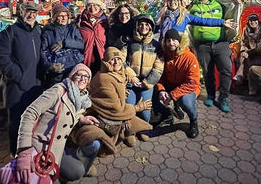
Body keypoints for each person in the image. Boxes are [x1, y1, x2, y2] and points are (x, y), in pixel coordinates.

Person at [15, 64, 99, 184]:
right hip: (39, 150)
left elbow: (70, 112)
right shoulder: (58, 91)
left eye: (86, 76)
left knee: (78, 171)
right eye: (79, 74)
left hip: (57, 150)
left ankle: (56, 176)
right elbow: (29, 113)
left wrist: (82, 118)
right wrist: (24, 151)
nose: (83, 78)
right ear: (71, 76)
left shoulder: (81, 99)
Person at [72, 47, 153, 153]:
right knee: (93, 137)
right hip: (100, 117)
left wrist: (122, 92)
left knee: (130, 112)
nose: (117, 62)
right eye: (112, 59)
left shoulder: (119, 74)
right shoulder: (104, 78)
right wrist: (138, 107)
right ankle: (88, 158)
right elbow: (116, 109)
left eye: (119, 58)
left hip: (112, 114)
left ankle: (126, 134)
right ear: (106, 62)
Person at [0, 1, 43, 156]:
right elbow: (1, 60)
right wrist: (20, 77)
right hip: (16, 87)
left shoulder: (40, 31)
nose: (31, 15)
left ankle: (32, 152)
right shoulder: (9, 33)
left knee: (35, 122)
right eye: (28, 11)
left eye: (34, 12)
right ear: (21, 12)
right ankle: (15, 155)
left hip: (37, 86)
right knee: (17, 122)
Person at [189, 0, 237, 113]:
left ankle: (223, 98)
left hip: (220, 42)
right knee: (207, 71)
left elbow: (232, 10)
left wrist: (237, 3)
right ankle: (210, 95)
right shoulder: (192, 7)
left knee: (226, 69)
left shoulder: (219, 4)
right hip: (202, 45)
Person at [152, 29, 200, 139]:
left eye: (174, 40)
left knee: (186, 102)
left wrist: (172, 95)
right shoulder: (165, 54)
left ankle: (193, 120)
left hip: (187, 87)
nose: (171, 43)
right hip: (170, 84)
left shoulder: (189, 57)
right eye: (168, 40)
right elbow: (159, 76)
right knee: (153, 93)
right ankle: (166, 114)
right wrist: (161, 90)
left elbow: (192, 83)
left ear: (179, 41)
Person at [125, 14, 164, 142]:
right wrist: (131, 77)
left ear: (151, 27)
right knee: (130, 107)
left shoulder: (156, 46)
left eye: (147, 24)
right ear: (137, 26)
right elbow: (123, 62)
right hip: (131, 82)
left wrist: (147, 83)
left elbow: (158, 68)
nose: (144, 27)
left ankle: (143, 128)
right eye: (141, 24)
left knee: (145, 110)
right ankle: (130, 130)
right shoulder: (130, 43)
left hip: (147, 83)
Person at [157, 0, 235, 43]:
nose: (172, 2)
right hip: (165, 47)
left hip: (179, 47)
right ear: (167, 2)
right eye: (170, 0)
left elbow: (203, 21)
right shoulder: (162, 16)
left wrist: (222, 22)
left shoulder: (184, 16)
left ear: (178, 2)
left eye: (175, 0)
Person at [41, 3, 84, 86]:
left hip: (73, 67)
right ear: (54, 17)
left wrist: (64, 43)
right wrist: (49, 66)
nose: (64, 18)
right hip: (58, 70)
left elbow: (81, 44)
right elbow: (42, 52)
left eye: (65, 15)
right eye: (60, 16)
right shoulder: (48, 32)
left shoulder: (73, 28)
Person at [78, 0, 108, 75]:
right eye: (89, 5)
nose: (92, 7)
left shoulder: (106, 21)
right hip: (86, 57)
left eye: (95, 5)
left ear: (99, 6)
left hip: (102, 56)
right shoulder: (80, 21)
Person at [233, 14, 261, 86]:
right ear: (248, 22)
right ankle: (241, 79)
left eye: (255, 20)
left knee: (249, 58)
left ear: (258, 21)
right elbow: (244, 43)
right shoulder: (246, 30)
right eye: (251, 21)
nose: (253, 22)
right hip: (250, 51)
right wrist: (243, 51)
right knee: (243, 56)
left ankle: (241, 76)